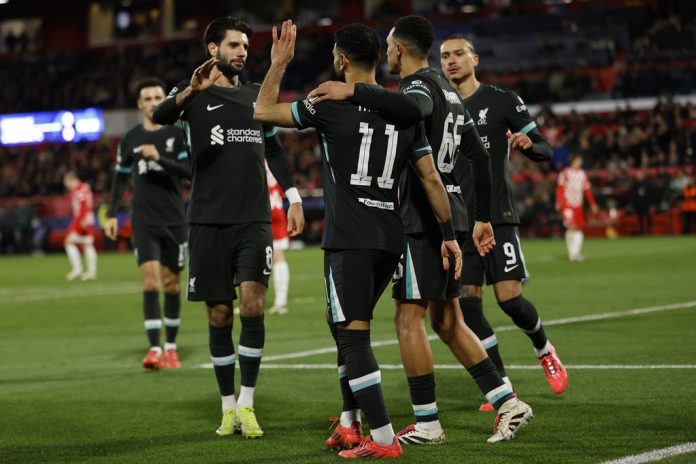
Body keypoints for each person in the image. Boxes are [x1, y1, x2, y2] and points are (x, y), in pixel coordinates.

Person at [308, 15, 533, 445]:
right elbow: (482, 157)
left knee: (407, 319)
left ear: (398, 50)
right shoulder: (452, 92)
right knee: (447, 319)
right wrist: (481, 215)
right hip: (453, 215)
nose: (386, 52)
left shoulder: (418, 88)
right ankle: (507, 401)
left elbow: (414, 111)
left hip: (421, 217)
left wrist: (354, 90)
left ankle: (428, 424)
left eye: (390, 46)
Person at [254, 21, 461, 459]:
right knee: (344, 325)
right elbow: (431, 180)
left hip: (349, 237)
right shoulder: (404, 112)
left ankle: (382, 439)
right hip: (390, 237)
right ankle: (349, 421)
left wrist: (278, 65)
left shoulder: (326, 103)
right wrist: (448, 236)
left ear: (341, 60)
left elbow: (263, 112)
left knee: (352, 337)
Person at [152, 16, 304, 439]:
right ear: (212, 50)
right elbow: (161, 115)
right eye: (234, 45)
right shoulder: (192, 94)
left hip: (253, 220)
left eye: (245, 47)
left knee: (252, 306)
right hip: (206, 221)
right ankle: (226, 407)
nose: (242, 52)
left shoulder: (258, 97)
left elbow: (273, 148)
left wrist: (292, 197)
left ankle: (248, 403)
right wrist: (191, 91)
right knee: (219, 314)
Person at [439, 35, 568, 406]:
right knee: (468, 305)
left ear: (475, 58)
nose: (451, 61)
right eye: (445, 56)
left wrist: (531, 148)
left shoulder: (501, 100)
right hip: (460, 220)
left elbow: (543, 145)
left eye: (458, 54)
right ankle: (502, 384)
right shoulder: (439, 107)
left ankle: (544, 348)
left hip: (497, 216)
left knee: (509, 300)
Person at [104, 77, 190, 371]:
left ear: (164, 100)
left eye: (158, 98)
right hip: (143, 220)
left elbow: (190, 171)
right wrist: (113, 213)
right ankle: (155, 349)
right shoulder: (130, 138)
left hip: (174, 220)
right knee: (151, 282)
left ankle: (171, 346)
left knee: (172, 284)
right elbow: (119, 177)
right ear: (139, 105)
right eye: (148, 99)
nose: (153, 102)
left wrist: (160, 159)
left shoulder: (177, 134)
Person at [556, 153, 598, 261]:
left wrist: (592, 203)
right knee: (571, 227)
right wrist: (559, 202)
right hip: (567, 205)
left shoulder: (582, 174)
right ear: (573, 161)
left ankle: (576, 253)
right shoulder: (565, 173)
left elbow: (587, 190)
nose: (580, 163)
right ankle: (573, 253)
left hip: (578, 205)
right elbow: (560, 189)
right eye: (578, 160)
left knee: (578, 228)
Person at [266, 161, 291, 315]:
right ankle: (279, 301)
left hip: (267, 212)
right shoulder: (274, 163)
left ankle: (281, 302)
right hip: (275, 210)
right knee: (276, 258)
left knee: (277, 258)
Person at [63, 171, 97, 281]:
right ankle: (90, 271)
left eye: (67, 183)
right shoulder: (83, 188)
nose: (67, 186)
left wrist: (83, 220)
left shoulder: (80, 189)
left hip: (82, 219)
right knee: (87, 244)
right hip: (85, 218)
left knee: (69, 242)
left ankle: (79, 269)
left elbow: (84, 205)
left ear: (72, 180)